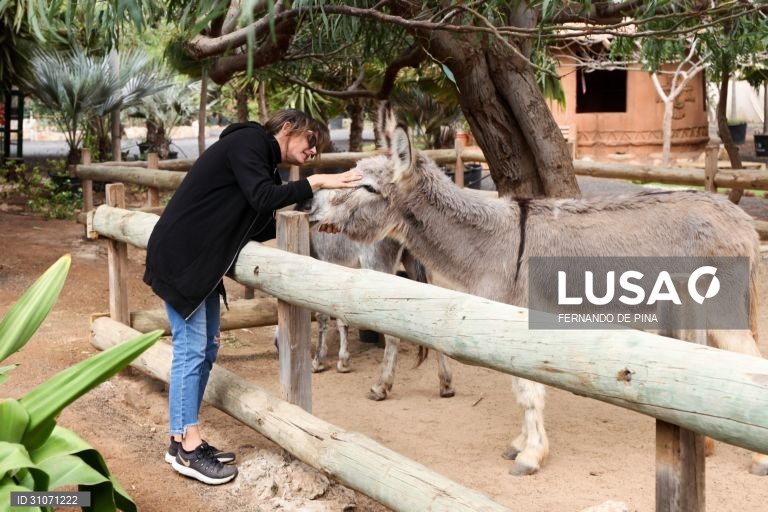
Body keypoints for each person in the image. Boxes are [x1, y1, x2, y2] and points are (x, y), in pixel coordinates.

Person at [143, 110, 362, 485]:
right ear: (289, 128)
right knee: (191, 349)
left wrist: (314, 215)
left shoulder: (260, 163)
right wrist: (319, 182)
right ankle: (188, 449)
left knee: (206, 349)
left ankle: (181, 439)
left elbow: (258, 219)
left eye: (318, 152)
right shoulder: (247, 143)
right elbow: (263, 198)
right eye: (312, 142)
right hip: (183, 258)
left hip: (200, 263)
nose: (313, 153)